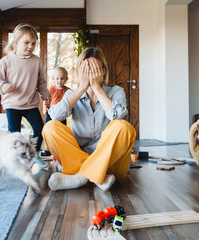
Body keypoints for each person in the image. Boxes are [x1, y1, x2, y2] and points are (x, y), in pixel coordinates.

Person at [42, 47, 136, 191]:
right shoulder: (71, 94)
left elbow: (117, 115)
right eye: (86, 69)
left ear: (103, 71)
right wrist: (81, 89)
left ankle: (80, 177)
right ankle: (98, 176)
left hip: (110, 162)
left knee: (124, 127)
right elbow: (54, 116)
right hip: (76, 159)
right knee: (49, 127)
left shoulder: (116, 91)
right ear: (80, 71)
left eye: (94, 69)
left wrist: (97, 89)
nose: (90, 73)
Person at [0, 23, 51, 168]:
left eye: (33, 43)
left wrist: (45, 95)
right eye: (26, 42)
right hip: (12, 104)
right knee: (14, 135)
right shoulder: (6, 61)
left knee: (40, 130)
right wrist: (4, 86)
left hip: (30, 104)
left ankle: (34, 155)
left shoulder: (37, 61)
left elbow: (41, 82)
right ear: (16, 43)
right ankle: (14, 160)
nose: (30, 46)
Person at [41, 67, 71, 157]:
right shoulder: (51, 89)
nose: (59, 81)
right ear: (54, 79)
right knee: (48, 131)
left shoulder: (67, 90)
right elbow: (45, 100)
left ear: (66, 79)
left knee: (61, 131)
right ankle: (48, 148)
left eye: (62, 79)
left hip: (62, 115)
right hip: (51, 113)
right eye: (57, 79)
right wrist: (44, 108)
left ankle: (59, 148)